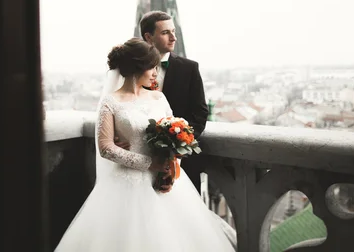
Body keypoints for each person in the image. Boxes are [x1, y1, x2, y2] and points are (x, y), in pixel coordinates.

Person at [54, 38, 235, 252]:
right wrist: (150, 164)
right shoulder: (110, 102)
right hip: (126, 184)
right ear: (139, 67)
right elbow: (105, 148)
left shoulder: (159, 98)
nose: (155, 73)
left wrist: (170, 167)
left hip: (164, 180)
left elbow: (176, 134)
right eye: (153, 67)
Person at [139, 10, 208, 194]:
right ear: (149, 37)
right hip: (140, 160)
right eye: (165, 33)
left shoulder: (189, 68)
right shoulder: (133, 69)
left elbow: (200, 114)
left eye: (174, 31)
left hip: (182, 163)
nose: (173, 38)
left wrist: (176, 149)